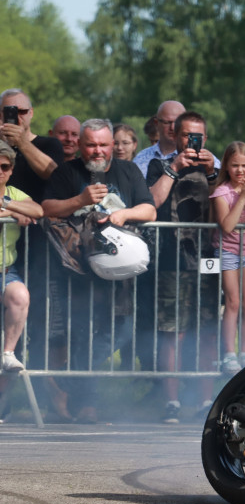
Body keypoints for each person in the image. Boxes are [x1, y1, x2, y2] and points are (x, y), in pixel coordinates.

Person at [41, 119, 156, 423]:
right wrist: (80, 200)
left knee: (121, 330)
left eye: (103, 144)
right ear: (80, 144)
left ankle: (72, 378)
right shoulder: (67, 172)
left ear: (111, 144)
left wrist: (123, 214)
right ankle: (87, 405)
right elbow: (47, 208)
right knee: (81, 334)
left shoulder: (127, 170)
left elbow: (149, 209)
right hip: (79, 271)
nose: (98, 151)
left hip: (120, 272)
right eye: (91, 144)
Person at [144, 111, 221, 424]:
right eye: (187, 136)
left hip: (207, 259)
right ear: (175, 135)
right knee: (171, 332)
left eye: (198, 136)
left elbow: (224, 209)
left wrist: (214, 172)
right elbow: (151, 201)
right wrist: (174, 168)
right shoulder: (158, 165)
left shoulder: (213, 168)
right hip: (170, 258)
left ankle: (206, 400)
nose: (193, 142)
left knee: (207, 331)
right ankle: (172, 402)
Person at [210, 142, 245, 374]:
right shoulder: (221, 192)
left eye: (244, 165)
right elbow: (227, 225)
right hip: (227, 251)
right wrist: (241, 198)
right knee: (232, 302)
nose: (240, 171)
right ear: (226, 166)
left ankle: (244, 352)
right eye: (235, 165)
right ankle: (229, 354)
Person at [0, 140, 42, 374]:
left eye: (4, 167)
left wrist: (8, 206)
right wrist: (16, 211)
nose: (0, 171)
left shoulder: (14, 193)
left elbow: (38, 210)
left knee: (20, 296)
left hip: (5, 271)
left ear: (11, 170)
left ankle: (8, 354)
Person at [133, 100, 185, 173]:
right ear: (156, 123)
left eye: (177, 122)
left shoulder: (196, 158)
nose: (172, 127)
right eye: (167, 122)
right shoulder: (141, 159)